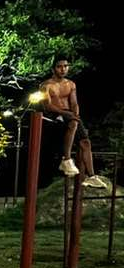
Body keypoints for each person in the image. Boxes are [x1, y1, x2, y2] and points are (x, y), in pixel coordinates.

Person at [41, 56, 106, 188]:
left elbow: (74, 103)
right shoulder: (46, 85)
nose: (63, 69)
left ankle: (91, 176)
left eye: (65, 66)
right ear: (53, 69)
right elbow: (47, 106)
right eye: (59, 66)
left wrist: (75, 114)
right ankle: (66, 159)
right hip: (55, 115)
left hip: (69, 115)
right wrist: (65, 113)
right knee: (73, 123)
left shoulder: (71, 84)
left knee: (85, 142)